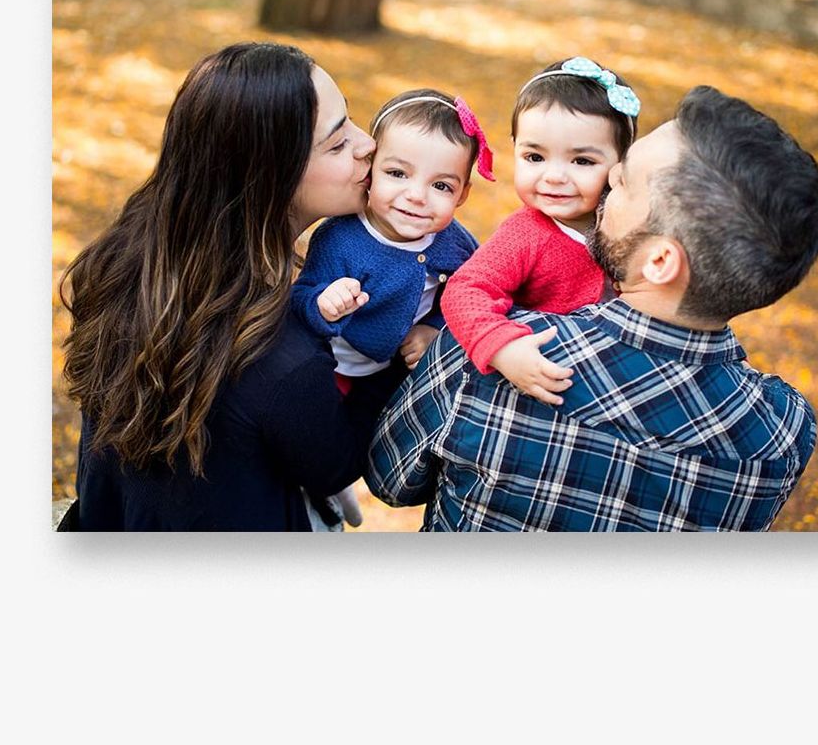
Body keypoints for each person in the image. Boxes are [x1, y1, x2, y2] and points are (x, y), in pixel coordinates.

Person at [366, 85, 818, 531]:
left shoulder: (493, 357)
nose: (605, 178)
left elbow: (390, 480)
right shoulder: (781, 431)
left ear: (661, 260)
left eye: (624, 183)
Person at [61, 42, 378, 530]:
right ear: (269, 177)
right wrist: (394, 352)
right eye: (337, 144)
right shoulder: (280, 357)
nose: (368, 144)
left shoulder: (125, 262)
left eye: (350, 121)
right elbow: (335, 463)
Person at [291, 90, 493, 521]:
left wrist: (435, 327)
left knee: (371, 440)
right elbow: (302, 298)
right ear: (371, 172)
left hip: (389, 371)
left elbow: (468, 290)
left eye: (441, 185)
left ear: (462, 195)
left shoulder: (454, 242)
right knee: (312, 439)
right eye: (398, 173)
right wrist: (324, 305)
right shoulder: (342, 239)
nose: (417, 196)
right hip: (333, 363)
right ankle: (314, 489)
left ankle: (343, 482)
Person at [440, 57, 638, 405]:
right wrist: (502, 347)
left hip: (615, 377)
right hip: (541, 381)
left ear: (620, 165)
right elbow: (465, 290)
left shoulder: (628, 223)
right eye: (535, 157)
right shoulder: (526, 234)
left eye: (582, 161)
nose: (555, 176)